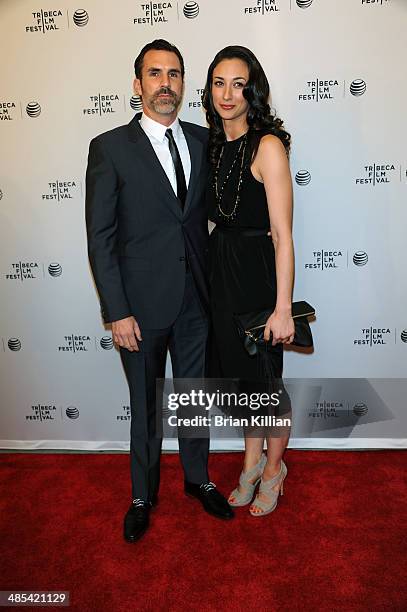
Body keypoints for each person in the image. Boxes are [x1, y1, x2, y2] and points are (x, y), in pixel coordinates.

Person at [85, 39, 233, 543]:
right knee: (146, 404)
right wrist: (117, 311)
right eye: (154, 74)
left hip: (196, 299)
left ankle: (199, 479)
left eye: (173, 74)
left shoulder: (201, 140)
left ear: (182, 84)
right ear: (137, 84)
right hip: (140, 309)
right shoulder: (109, 148)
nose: (164, 84)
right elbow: (100, 238)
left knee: (193, 398)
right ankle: (142, 495)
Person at [202, 45, 295, 517]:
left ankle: (274, 470)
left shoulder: (268, 146)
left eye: (238, 83)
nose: (227, 93)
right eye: (219, 82)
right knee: (242, 384)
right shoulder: (214, 146)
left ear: (252, 89)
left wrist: (283, 308)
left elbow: (282, 236)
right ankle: (252, 460)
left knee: (265, 383)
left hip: (258, 280)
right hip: (223, 277)